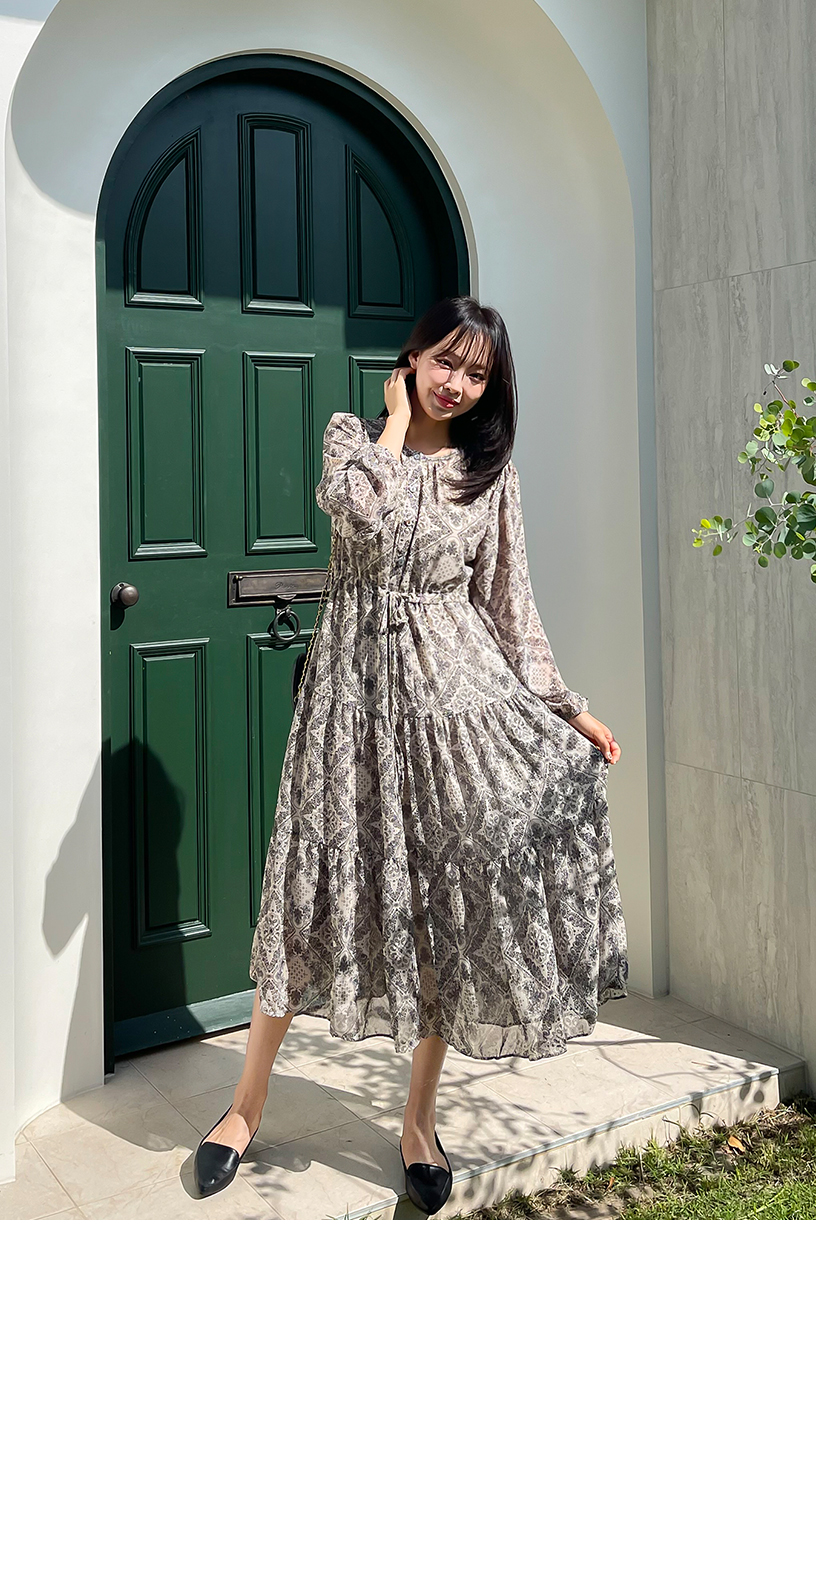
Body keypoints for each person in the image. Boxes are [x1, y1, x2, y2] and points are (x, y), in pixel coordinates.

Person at [193, 295, 629, 1212]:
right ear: (414, 357)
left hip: (452, 704)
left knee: (443, 902)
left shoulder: (489, 475)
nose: (457, 384)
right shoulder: (354, 438)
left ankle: (419, 1122)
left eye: (477, 374)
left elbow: (509, 602)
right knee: (306, 890)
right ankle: (245, 1105)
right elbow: (356, 517)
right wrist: (394, 423)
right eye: (446, 362)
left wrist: (568, 707)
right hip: (347, 708)